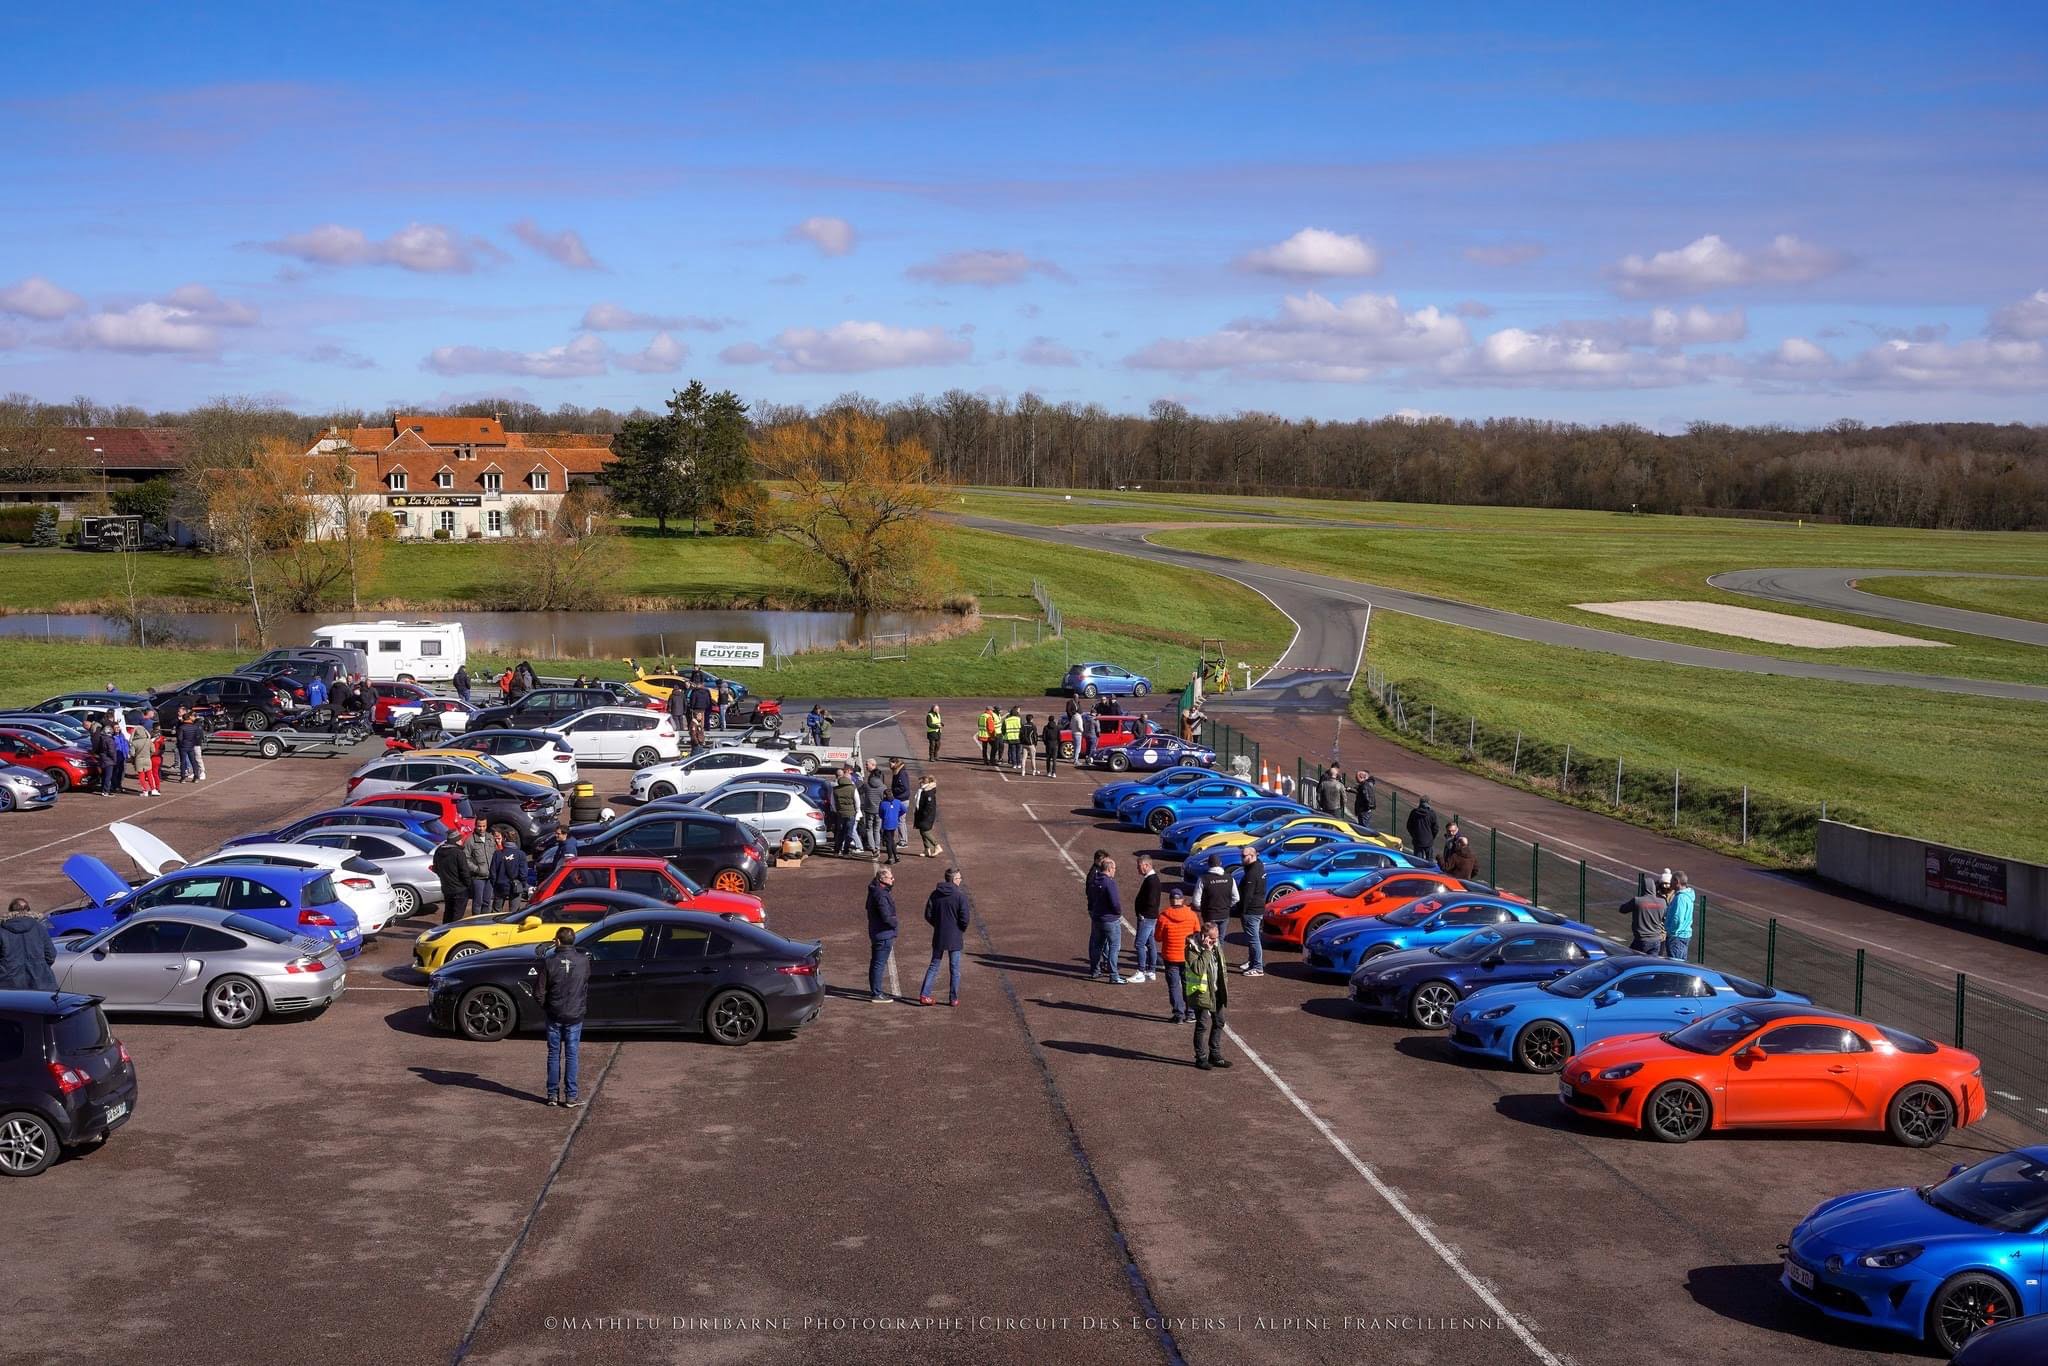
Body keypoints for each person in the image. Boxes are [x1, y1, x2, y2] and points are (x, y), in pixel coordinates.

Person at [534, 927, 589, 1107]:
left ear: (557, 941)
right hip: (575, 1014)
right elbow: (584, 985)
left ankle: (552, 1095)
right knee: (572, 1054)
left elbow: (539, 992)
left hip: (555, 1014)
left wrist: (548, 1007)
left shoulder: (550, 962)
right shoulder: (583, 961)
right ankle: (571, 1096)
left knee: (553, 1054)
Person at [1183, 922, 1232, 1070]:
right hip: (1202, 993)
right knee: (1202, 1025)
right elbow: (1198, 969)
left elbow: (1221, 967)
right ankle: (1201, 1058)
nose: (1215, 941)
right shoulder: (1192, 948)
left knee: (1219, 1022)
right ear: (1204, 937)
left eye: (1217, 938)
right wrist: (1206, 951)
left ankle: (1215, 1054)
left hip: (1216, 992)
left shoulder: (1216, 945)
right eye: (1212, 938)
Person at [919, 868, 970, 1007]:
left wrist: (938, 925)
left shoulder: (935, 894)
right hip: (955, 937)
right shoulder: (960, 896)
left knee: (934, 965)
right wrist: (960, 929)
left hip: (939, 935)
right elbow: (965, 918)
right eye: (959, 878)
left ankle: (925, 994)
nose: (960, 880)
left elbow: (928, 914)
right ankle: (953, 998)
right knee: (954, 968)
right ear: (954, 880)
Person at [1156, 888, 1202, 1023]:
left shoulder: (1164, 916)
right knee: (1189, 984)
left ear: (1171, 900)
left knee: (1174, 986)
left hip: (1170, 957)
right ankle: (1191, 1012)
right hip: (1187, 956)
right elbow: (1197, 933)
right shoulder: (1192, 915)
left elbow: (1158, 937)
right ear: (1182, 900)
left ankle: (1178, 1014)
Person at [0, 898, 59, 991]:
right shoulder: (39, 927)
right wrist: (39, 967)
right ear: (28, 910)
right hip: (40, 983)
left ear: (10, 911)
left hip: (9, 984)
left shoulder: (2, 930)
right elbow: (51, 954)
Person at [1087, 856, 1128, 984]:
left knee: (1097, 946)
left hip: (1097, 918)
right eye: (1114, 868)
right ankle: (1114, 975)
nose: (1115, 871)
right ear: (1109, 868)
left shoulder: (1095, 880)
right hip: (1110, 920)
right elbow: (1115, 902)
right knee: (1114, 947)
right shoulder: (1110, 883)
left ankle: (1094, 971)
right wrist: (1117, 913)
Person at [865, 867, 898, 1002]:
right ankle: (877, 993)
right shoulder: (881, 895)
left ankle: (876, 990)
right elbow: (886, 916)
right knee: (879, 964)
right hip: (883, 934)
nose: (893, 879)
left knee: (876, 963)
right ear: (882, 879)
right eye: (890, 877)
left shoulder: (875, 891)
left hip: (877, 932)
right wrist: (894, 923)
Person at [1620, 871, 1669, 956]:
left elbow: (1622, 909)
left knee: (1633, 959)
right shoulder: (1662, 902)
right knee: (1652, 963)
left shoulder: (1638, 901)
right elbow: (1665, 918)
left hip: (1641, 939)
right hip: (1656, 939)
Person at [1237, 846, 1268, 976]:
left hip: (1251, 911)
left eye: (1244, 856)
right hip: (1258, 908)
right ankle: (1252, 961)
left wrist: (1242, 910)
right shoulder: (1259, 866)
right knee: (1252, 938)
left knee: (1254, 939)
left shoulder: (1252, 873)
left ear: (1252, 856)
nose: (1242, 858)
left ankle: (1258, 966)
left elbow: (1248, 895)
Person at [1131, 855, 1161, 983]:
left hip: (1147, 917)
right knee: (1150, 943)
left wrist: (1142, 913)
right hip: (1150, 917)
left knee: (1139, 944)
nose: (1138, 869)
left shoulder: (1152, 881)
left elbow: (1151, 901)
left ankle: (1141, 971)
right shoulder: (1152, 879)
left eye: (1139, 866)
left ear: (1146, 865)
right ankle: (1151, 970)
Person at [432, 830, 472, 923]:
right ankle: (453, 933)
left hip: (446, 888)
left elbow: (436, 868)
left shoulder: (439, 851)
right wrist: (468, 885)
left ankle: (444, 930)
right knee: (457, 915)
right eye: (460, 839)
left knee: (448, 912)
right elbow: (464, 872)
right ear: (456, 841)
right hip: (460, 889)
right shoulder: (458, 853)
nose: (462, 841)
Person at [491, 829, 532, 913]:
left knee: (496, 911)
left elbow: (493, 872)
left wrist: (494, 885)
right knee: (515, 913)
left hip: (500, 886)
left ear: (504, 838)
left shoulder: (497, 854)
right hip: (516, 886)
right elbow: (523, 873)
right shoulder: (520, 854)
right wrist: (523, 884)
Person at [1198, 862, 1236, 943]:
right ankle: (1219, 955)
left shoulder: (1204, 878)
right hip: (1224, 914)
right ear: (1221, 864)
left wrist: (1202, 908)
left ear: (1209, 864)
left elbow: (1196, 901)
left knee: (1209, 939)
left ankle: (1208, 954)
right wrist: (1227, 906)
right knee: (1220, 939)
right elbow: (1236, 897)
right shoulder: (1230, 878)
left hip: (1209, 914)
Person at [465, 822, 496, 916]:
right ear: (475, 826)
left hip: (490, 876)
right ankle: (476, 922)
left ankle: (485, 922)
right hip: (478, 877)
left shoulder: (491, 838)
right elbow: (466, 858)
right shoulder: (470, 840)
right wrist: (477, 869)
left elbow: (495, 854)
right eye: (479, 826)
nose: (481, 828)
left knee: (487, 901)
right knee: (478, 902)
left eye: (484, 826)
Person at [1665, 872, 1696, 961]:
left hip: (1677, 936)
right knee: (1681, 962)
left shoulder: (1680, 898)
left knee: (1675, 963)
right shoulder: (1688, 896)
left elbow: (1677, 918)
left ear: (1677, 881)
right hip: (1683, 935)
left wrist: (1671, 931)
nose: (1670, 883)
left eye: (1671, 881)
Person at [860, 761, 885, 858]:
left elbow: (860, 791)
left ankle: (873, 848)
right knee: (877, 830)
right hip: (878, 811)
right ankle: (878, 847)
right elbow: (884, 799)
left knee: (869, 829)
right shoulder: (883, 787)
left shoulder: (866, 785)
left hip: (868, 810)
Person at [831, 770, 858, 856]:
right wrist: (856, 811)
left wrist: (837, 811)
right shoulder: (853, 789)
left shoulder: (835, 790)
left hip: (840, 814)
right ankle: (845, 851)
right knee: (849, 833)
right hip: (851, 814)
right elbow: (857, 801)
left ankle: (836, 850)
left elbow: (833, 803)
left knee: (840, 832)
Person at [912, 775, 941, 857]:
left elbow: (929, 807)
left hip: (927, 816)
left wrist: (924, 814)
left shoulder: (928, 793)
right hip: (921, 814)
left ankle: (937, 846)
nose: (919, 784)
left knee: (925, 831)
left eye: (920, 782)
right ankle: (927, 849)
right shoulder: (923, 791)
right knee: (922, 831)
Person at [175, 708, 206, 783]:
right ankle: (196, 777)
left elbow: (180, 738)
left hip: (183, 746)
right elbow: (197, 736)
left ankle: (183, 778)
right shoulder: (194, 727)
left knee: (183, 761)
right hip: (191, 745)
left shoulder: (182, 727)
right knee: (193, 761)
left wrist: (181, 743)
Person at [136, 722, 165, 798]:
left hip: (152, 757)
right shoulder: (160, 738)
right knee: (154, 774)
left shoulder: (150, 737)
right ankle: (155, 788)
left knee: (149, 774)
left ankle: (153, 788)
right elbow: (162, 749)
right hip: (156, 757)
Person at [1406, 796, 1440, 860]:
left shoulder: (1414, 812)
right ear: (1428, 803)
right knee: (1429, 862)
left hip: (1417, 841)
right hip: (1428, 841)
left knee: (1418, 861)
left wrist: (1414, 835)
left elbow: (1409, 826)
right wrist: (1431, 837)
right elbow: (1435, 828)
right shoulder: (1432, 814)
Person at [879, 790, 906, 864]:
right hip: (894, 823)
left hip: (887, 823)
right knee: (892, 840)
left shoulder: (883, 803)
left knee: (888, 841)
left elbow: (880, 814)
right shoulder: (897, 801)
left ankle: (890, 858)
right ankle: (896, 857)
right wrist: (897, 815)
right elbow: (904, 810)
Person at [1041, 711, 1061, 777]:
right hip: (1055, 744)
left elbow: (1044, 737)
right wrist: (1058, 743)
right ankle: (1054, 772)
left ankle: (1048, 772)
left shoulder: (1046, 727)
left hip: (1049, 744)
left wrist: (1046, 743)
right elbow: (1059, 736)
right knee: (1054, 759)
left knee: (1048, 759)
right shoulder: (1057, 727)